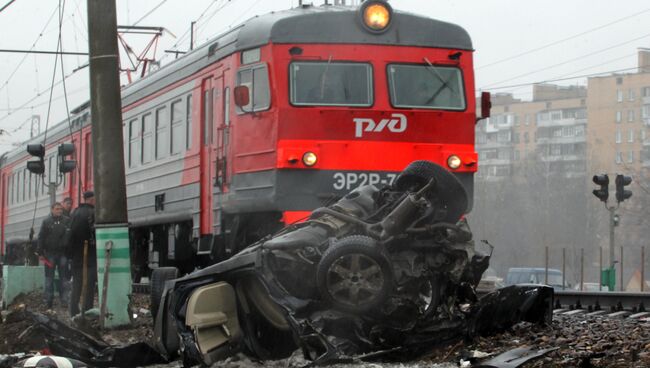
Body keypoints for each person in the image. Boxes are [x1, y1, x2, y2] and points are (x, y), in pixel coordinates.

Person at [37, 202, 71, 309]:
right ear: (52, 210)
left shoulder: (67, 221)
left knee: (64, 278)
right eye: (57, 209)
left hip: (63, 253)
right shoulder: (46, 222)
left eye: (60, 209)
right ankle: (48, 301)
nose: (59, 211)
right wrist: (40, 252)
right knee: (49, 278)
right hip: (50, 254)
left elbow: (70, 237)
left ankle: (64, 300)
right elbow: (41, 237)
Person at [68, 191, 96, 317]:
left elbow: (70, 235)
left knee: (77, 284)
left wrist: (69, 255)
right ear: (92, 200)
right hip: (90, 254)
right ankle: (88, 309)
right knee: (89, 284)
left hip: (76, 255)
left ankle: (73, 310)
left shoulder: (74, 213)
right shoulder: (93, 213)